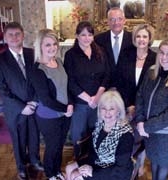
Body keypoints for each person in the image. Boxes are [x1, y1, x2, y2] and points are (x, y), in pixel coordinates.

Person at [0, 22, 43, 180]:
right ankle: (21, 167)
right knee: (19, 139)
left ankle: (34, 160)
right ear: (5, 38)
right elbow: (1, 89)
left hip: (34, 106)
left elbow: (39, 80)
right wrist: (22, 107)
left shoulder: (32, 54)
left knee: (34, 136)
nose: (14, 37)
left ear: (23, 35)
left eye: (17, 34)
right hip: (15, 110)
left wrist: (33, 102)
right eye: (10, 35)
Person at [135, 37, 168, 180]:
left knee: (163, 163)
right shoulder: (151, 72)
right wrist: (140, 121)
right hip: (148, 130)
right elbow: (140, 95)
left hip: (167, 133)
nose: (164, 57)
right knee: (153, 160)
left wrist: (146, 126)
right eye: (162, 53)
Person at [31, 29, 73, 180]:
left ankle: (56, 171)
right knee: (52, 147)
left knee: (60, 145)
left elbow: (66, 87)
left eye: (54, 44)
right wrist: (66, 109)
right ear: (40, 46)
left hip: (65, 113)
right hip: (49, 116)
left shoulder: (59, 61)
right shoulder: (37, 69)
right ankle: (50, 174)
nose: (52, 47)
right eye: (47, 44)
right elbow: (46, 99)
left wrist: (70, 105)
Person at [64, 21, 110, 158]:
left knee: (96, 132)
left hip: (98, 102)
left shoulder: (100, 51)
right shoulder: (70, 55)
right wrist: (89, 99)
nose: (87, 38)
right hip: (80, 104)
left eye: (90, 34)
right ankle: (79, 160)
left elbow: (107, 74)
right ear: (77, 36)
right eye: (83, 35)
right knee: (78, 135)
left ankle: (93, 161)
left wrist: (97, 97)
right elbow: (70, 81)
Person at [65, 90, 134, 180]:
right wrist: (86, 165)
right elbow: (94, 152)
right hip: (98, 161)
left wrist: (91, 171)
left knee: (75, 175)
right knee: (69, 168)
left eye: (111, 109)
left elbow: (120, 169)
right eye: (103, 108)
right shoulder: (100, 125)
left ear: (119, 110)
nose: (107, 112)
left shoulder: (125, 135)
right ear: (99, 109)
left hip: (113, 173)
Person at [116, 23, 156, 177]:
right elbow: (119, 81)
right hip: (126, 106)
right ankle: (126, 166)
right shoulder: (126, 55)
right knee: (127, 138)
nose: (141, 39)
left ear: (149, 38)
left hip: (144, 108)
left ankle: (139, 165)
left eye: (145, 36)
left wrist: (138, 107)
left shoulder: (155, 58)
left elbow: (153, 88)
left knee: (142, 137)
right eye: (138, 36)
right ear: (134, 38)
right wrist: (128, 105)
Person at [94, 7, 133, 88]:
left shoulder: (133, 39)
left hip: (126, 86)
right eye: (112, 19)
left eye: (119, 19)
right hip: (104, 86)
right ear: (108, 21)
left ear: (124, 20)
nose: (116, 22)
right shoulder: (98, 39)